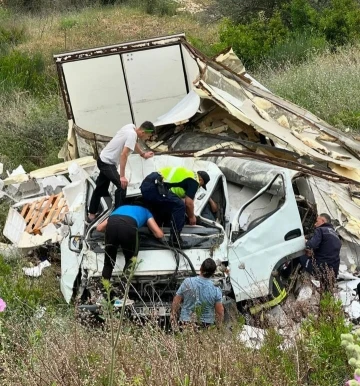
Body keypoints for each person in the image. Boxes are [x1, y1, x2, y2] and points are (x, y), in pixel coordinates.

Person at [88, 121, 155, 222]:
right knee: (122, 185)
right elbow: (124, 155)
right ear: (143, 132)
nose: (147, 139)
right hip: (107, 163)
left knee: (101, 187)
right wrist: (122, 176)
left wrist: (142, 154)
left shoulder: (131, 127)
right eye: (147, 136)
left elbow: (134, 142)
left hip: (103, 159)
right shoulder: (132, 134)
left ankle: (91, 215)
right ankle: (118, 216)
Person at [140, 167, 210, 246]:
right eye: (201, 185)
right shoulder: (194, 181)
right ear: (201, 180)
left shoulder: (186, 173)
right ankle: (175, 240)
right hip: (157, 186)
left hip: (147, 184)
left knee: (166, 205)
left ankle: (153, 229)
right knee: (180, 206)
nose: (199, 187)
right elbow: (188, 203)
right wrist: (191, 217)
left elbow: (173, 195)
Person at [96, 205, 164, 281]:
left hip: (112, 223)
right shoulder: (146, 211)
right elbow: (159, 234)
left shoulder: (120, 208)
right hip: (129, 226)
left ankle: (103, 289)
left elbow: (99, 228)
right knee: (130, 262)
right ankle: (122, 290)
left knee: (108, 262)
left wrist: (114, 234)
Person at [171, 258, 224, 328]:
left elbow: (176, 300)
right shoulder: (216, 288)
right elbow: (220, 311)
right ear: (213, 272)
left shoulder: (187, 282)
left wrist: (173, 316)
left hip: (186, 322)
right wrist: (219, 326)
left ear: (200, 268)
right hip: (206, 325)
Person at [299, 213, 341, 291]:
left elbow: (311, 245)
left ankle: (284, 275)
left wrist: (305, 241)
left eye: (316, 221)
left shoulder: (321, 230)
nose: (315, 224)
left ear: (322, 221)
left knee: (299, 256)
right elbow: (326, 251)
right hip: (332, 273)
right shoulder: (336, 236)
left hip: (319, 268)